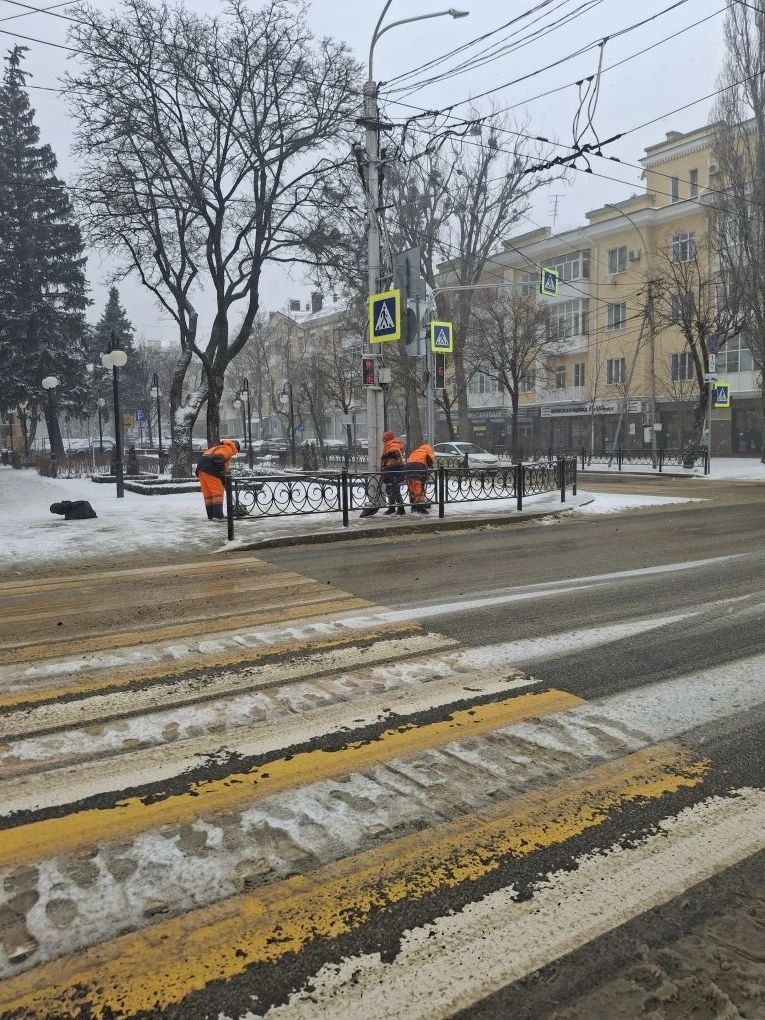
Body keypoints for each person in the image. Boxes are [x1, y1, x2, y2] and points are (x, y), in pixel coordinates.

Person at [195, 438, 240, 520]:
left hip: (201, 469)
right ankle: (218, 516)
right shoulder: (228, 448)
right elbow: (218, 458)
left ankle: (211, 515)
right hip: (210, 469)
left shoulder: (217, 447)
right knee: (218, 493)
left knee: (208, 495)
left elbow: (215, 458)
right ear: (236, 448)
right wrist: (221, 472)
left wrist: (221, 476)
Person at [381, 430, 407, 516]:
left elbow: (395, 455)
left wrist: (387, 460)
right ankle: (392, 508)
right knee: (389, 489)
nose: (383, 440)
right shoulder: (390, 445)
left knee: (395, 489)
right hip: (393, 469)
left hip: (394, 469)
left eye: (384, 438)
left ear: (386, 439)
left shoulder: (392, 445)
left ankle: (400, 509)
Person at [406, 442, 435, 513]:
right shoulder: (427, 451)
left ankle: (413, 505)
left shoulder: (416, 451)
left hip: (408, 468)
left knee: (411, 486)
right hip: (419, 468)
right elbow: (431, 462)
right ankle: (421, 506)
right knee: (418, 486)